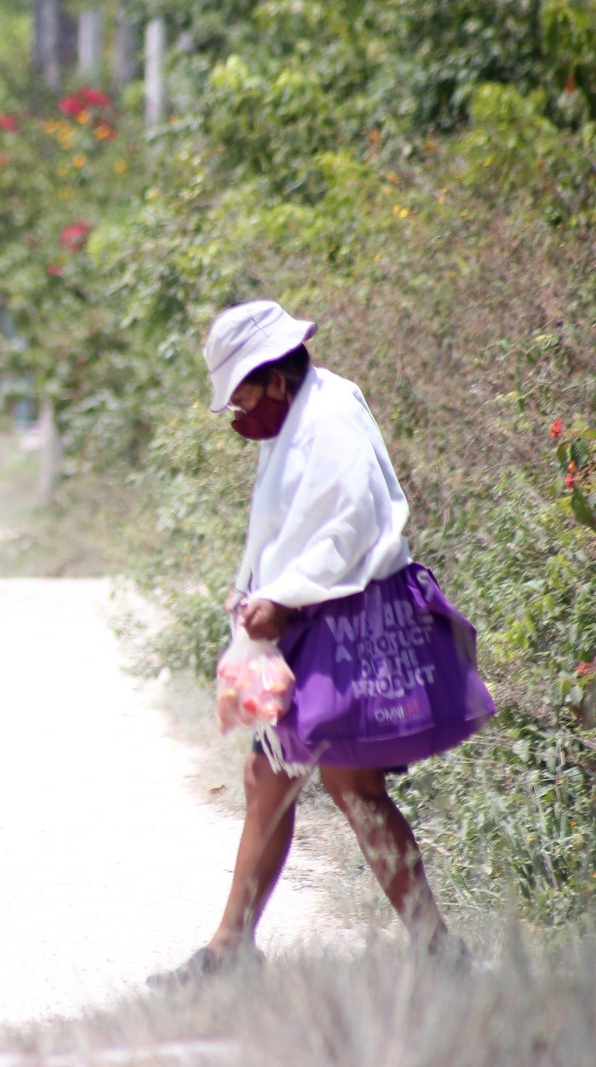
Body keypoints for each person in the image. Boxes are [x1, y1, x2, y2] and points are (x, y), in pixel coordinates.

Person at [150, 300, 491, 987]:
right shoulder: (306, 413)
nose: (240, 417)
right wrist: (259, 593)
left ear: (275, 378)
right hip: (313, 614)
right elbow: (297, 522)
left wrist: (284, 596)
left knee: (345, 783)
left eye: (242, 397)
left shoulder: (329, 415)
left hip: (340, 618)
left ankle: (420, 949)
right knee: (278, 776)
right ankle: (237, 948)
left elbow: (349, 523)